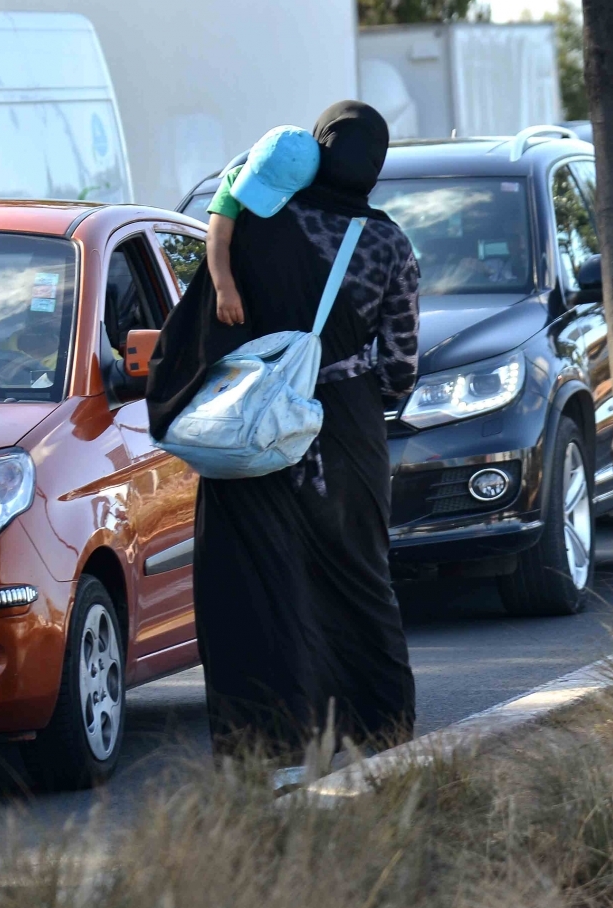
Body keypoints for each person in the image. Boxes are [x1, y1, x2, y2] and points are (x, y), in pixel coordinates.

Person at [147, 102, 421, 780]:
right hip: (346, 431)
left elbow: (204, 313)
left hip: (254, 423)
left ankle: (268, 753)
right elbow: (400, 364)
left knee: (256, 585)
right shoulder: (389, 245)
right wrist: (366, 397)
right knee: (358, 581)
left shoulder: (262, 221)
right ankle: (378, 739)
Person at [204, 126, 320, 326]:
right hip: (244, 301)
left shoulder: (312, 194)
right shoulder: (234, 179)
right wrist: (224, 288)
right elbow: (217, 238)